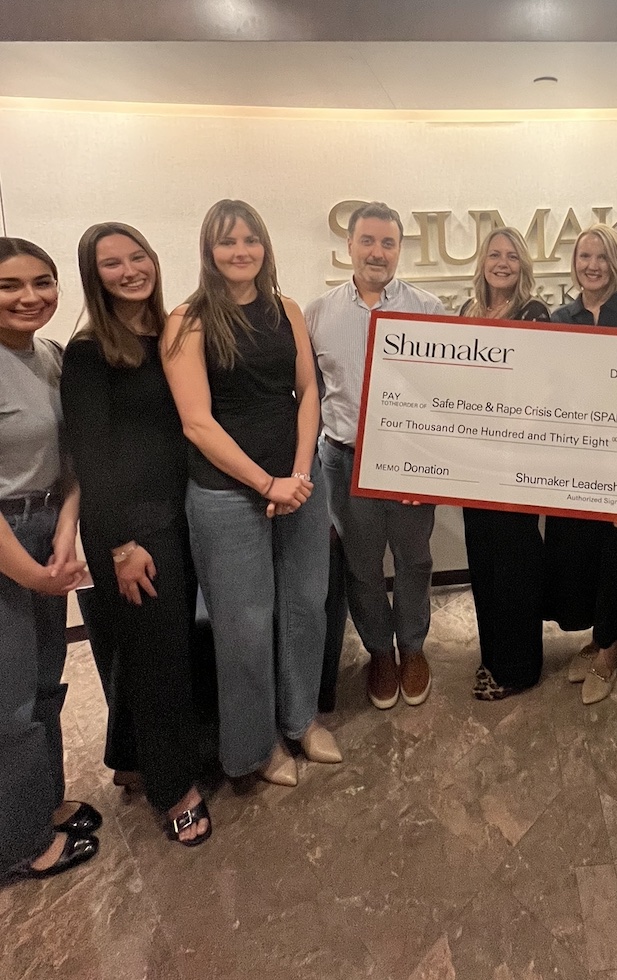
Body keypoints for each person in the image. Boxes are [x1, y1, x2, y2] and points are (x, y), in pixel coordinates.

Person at [163, 200, 340, 788]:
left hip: (300, 483)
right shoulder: (187, 320)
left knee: (305, 606)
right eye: (227, 242)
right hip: (226, 495)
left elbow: (308, 391)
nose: (241, 251)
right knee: (243, 627)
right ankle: (254, 748)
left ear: (265, 245)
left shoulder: (287, 309)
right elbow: (196, 423)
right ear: (208, 251)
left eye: (250, 240)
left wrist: (299, 473)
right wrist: (267, 484)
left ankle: (302, 719)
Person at [61, 222, 210, 844]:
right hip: (132, 527)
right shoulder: (89, 351)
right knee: (160, 659)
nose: (130, 270)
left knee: (148, 648)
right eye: (112, 263)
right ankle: (175, 790)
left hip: (177, 513)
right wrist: (122, 545)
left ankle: (131, 756)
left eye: (137, 256)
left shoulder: (169, 334)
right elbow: (91, 456)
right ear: (93, 276)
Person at [307, 202, 445, 710]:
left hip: (411, 460)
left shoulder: (429, 310)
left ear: (399, 249)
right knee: (362, 566)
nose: (377, 252)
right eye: (367, 241)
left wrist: (429, 464)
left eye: (388, 243)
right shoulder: (317, 315)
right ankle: (380, 653)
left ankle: (412, 647)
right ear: (349, 246)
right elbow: (310, 397)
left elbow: (445, 395)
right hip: (345, 461)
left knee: (414, 560)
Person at [1, 236, 100, 879]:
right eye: (9, 285)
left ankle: (43, 805)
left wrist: (65, 531)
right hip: (7, 539)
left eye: (42, 282)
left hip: (46, 526)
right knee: (8, 701)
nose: (29, 297)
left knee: (44, 681)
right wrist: (31, 572)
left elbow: (72, 457)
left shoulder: (52, 356)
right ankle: (19, 846)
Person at [546, 223, 617, 705]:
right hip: (574, 457)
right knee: (581, 554)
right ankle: (597, 637)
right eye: (584, 256)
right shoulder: (560, 317)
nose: (592, 266)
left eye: (602, 257)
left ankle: (610, 653)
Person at [458, 227, 550, 700]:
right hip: (473, 457)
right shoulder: (466, 311)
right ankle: (492, 655)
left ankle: (519, 668)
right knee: (483, 558)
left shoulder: (534, 312)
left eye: (512, 256)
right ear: (482, 262)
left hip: (517, 456)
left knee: (515, 560)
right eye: (494, 254)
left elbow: (538, 381)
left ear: (522, 265)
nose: (502, 263)